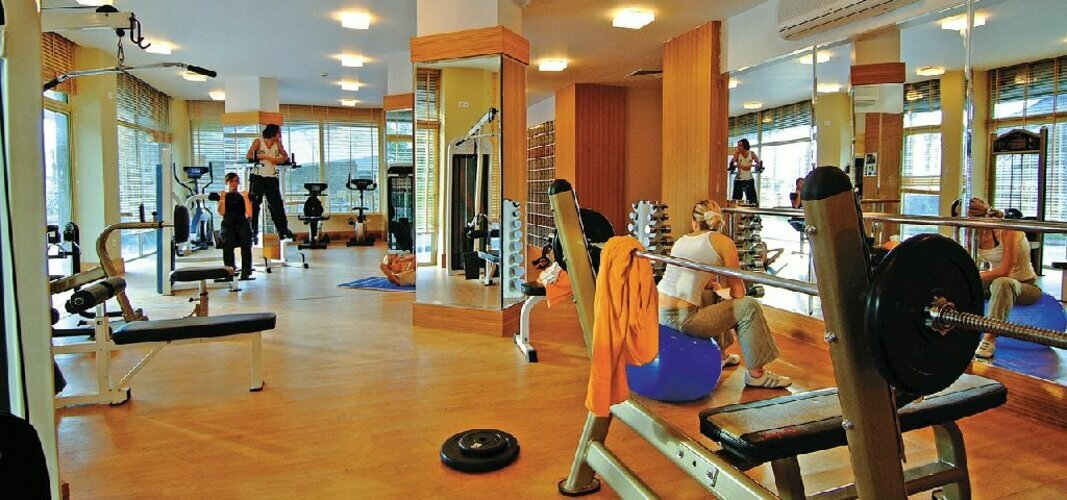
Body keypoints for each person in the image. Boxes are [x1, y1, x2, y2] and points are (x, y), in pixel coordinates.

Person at [657, 200, 792, 388]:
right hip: (683, 321)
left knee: (711, 292)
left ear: (694, 222)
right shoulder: (724, 243)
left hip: (659, 315)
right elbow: (739, 293)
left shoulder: (682, 241)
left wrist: (716, 289)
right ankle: (757, 374)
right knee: (749, 305)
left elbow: (699, 283)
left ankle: (721, 355)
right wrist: (723, 290)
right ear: (718, 221)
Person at [956, 198, 1042, 360]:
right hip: (994, 285)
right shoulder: (972, 234)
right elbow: (968, 265)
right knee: (958, 282)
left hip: (1024, 286)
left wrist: (972, 276)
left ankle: (989, 339)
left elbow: (1005, 271)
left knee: (1002, 282)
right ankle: (956, 330)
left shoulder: (1006, 230)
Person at [245, 124, 295, 243]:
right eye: (279, 133)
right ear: (273, 133)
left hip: (271, 178)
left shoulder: (277, 144)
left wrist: (280, 159)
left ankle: (283, 231)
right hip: (258, 177)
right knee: (255, 205)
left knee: (276, 205)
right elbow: (249, 155)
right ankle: (252, 232)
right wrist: (266, 157)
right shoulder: (258, 141)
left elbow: (286, 157)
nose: (280, 135)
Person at [217, 173, 255, 280]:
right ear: (227, 182)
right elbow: (221, 212)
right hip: (228, 224)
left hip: (242, 223)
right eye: (231, 181)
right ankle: (229, 272)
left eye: (236, 181)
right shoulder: (223, 196)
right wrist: (222, 197)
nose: (234, 183)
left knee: (246, 241)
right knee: (227, 241)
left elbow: (249, 213)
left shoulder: (242, 196)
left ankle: (246, 272)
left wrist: (246, 197)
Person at [729, 139, 762, 206]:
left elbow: (758, 163)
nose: (738, 147)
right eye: (738, 145)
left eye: (740, 146)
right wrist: (732, 164)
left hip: (749, 179)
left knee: (753, 201)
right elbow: (732, 163)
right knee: (736, 200)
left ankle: (752, 210)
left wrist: (758, 166)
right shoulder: (737, 154)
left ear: (744, 146)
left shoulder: (751, 154)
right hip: (739, 180)